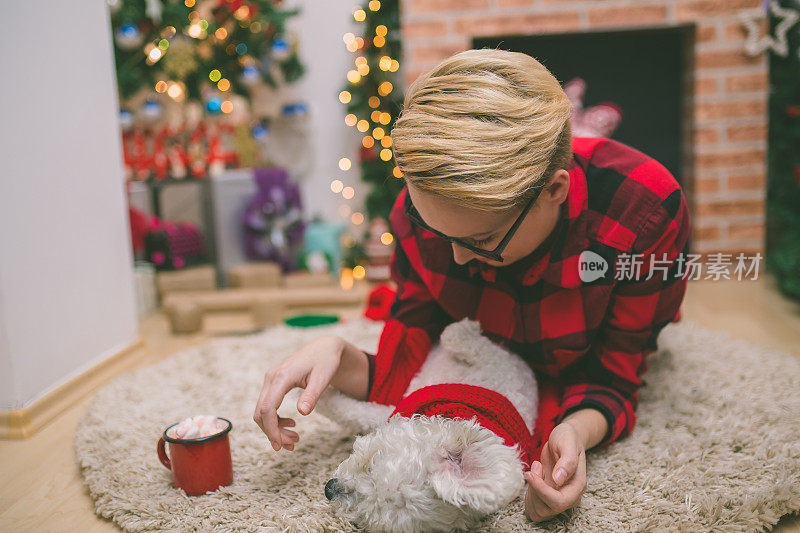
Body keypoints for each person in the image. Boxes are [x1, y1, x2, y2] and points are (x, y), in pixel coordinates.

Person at [253, 49, 690, 523]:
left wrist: (575, 433)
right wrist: (338, 354)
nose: (456, 258)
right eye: (438, 234)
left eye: (480, 241)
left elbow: (614, 375)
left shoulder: (643, 210)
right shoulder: (425, 208)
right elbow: (419, 359)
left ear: (554, 191)